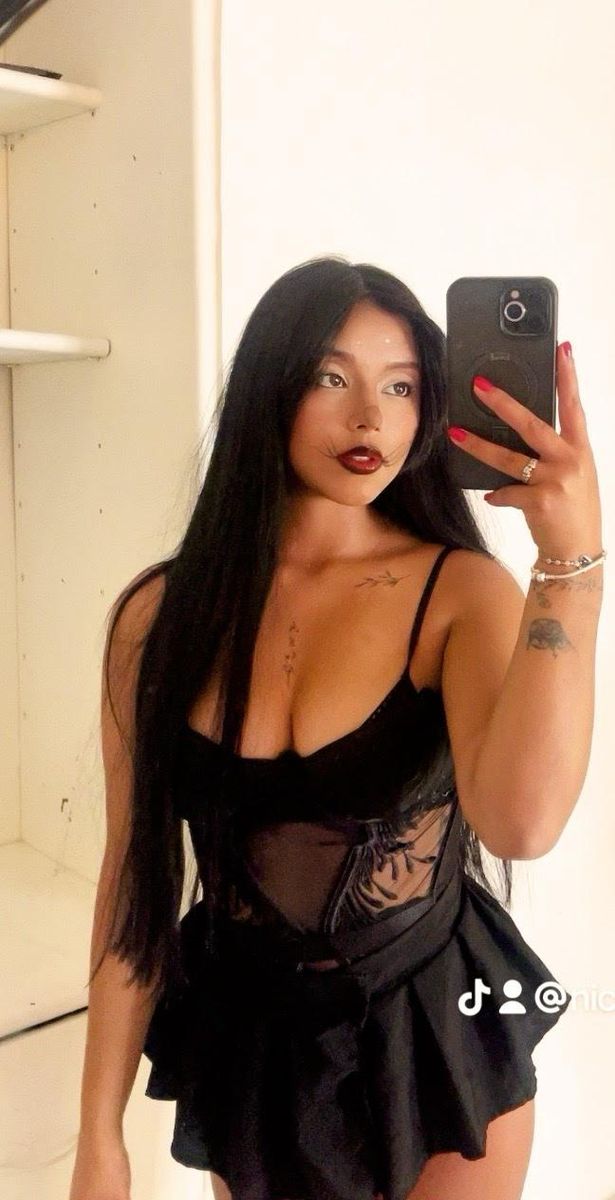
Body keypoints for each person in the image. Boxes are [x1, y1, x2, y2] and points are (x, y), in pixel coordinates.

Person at [69, 257, 604, 1200]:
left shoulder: (460, 593)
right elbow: (134, 881)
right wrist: (98, 1137)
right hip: (251, 1059)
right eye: (331, 376)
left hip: (438, 1046)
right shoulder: (157, 619)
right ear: (269, 386)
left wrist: (571, 563)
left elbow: (520, 826)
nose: (369, 419)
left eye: (401, 387)